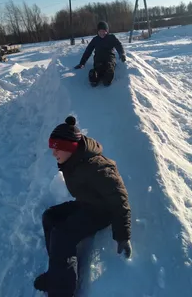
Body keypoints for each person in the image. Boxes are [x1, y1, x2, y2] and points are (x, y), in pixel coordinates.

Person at [34, 116, 132, 297]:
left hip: (101, 212)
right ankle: (56, 274)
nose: (54, 153)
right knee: (50, 217)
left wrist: (122, 236)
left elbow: (120, 199)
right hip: (87, 203)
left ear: (69, 147)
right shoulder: (73, 159)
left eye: (57, 148)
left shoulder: (97, 167)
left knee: (62, 236)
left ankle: (62, 291)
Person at [74, 21, 126, 87]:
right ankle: (94, 78)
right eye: (100, 31)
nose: (102, 33)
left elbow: (119, 45)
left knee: (109, 67)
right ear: (97, 32)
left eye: (103, 31)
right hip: (98, 60)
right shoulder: (95, 40)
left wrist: (122, 54)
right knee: (98, 68)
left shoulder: (111, 37)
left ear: (107, 31)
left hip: (109, 59)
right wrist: (82, 63)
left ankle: (108, 78)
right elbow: (88, 51)